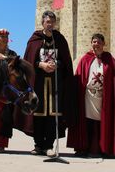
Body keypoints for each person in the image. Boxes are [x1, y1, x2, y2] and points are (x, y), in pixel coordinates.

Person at [14, 10, 74, 157]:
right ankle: (38, 145)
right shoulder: (35, 39)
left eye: (52, 22)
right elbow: (28, 60)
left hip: (55, 84)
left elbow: (65, 61)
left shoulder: (59, 39)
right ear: (43, 23)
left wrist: (57, 64)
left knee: (52, 115)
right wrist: (40, 64)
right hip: (38, 83)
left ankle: (49, 146)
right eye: (48, 21)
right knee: (38, 113)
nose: (50, 24)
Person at [67, 33, 115, 158]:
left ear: (103, 44)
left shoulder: (110, 59)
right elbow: (79, 77)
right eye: (94, 42)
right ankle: (84, 148)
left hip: (104, 97)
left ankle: (103, 148)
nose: (96, 44)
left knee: (102, 123)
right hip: (88, 96)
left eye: (98, 42)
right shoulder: (85, 59)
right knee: (87, 122)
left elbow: (114, 79)